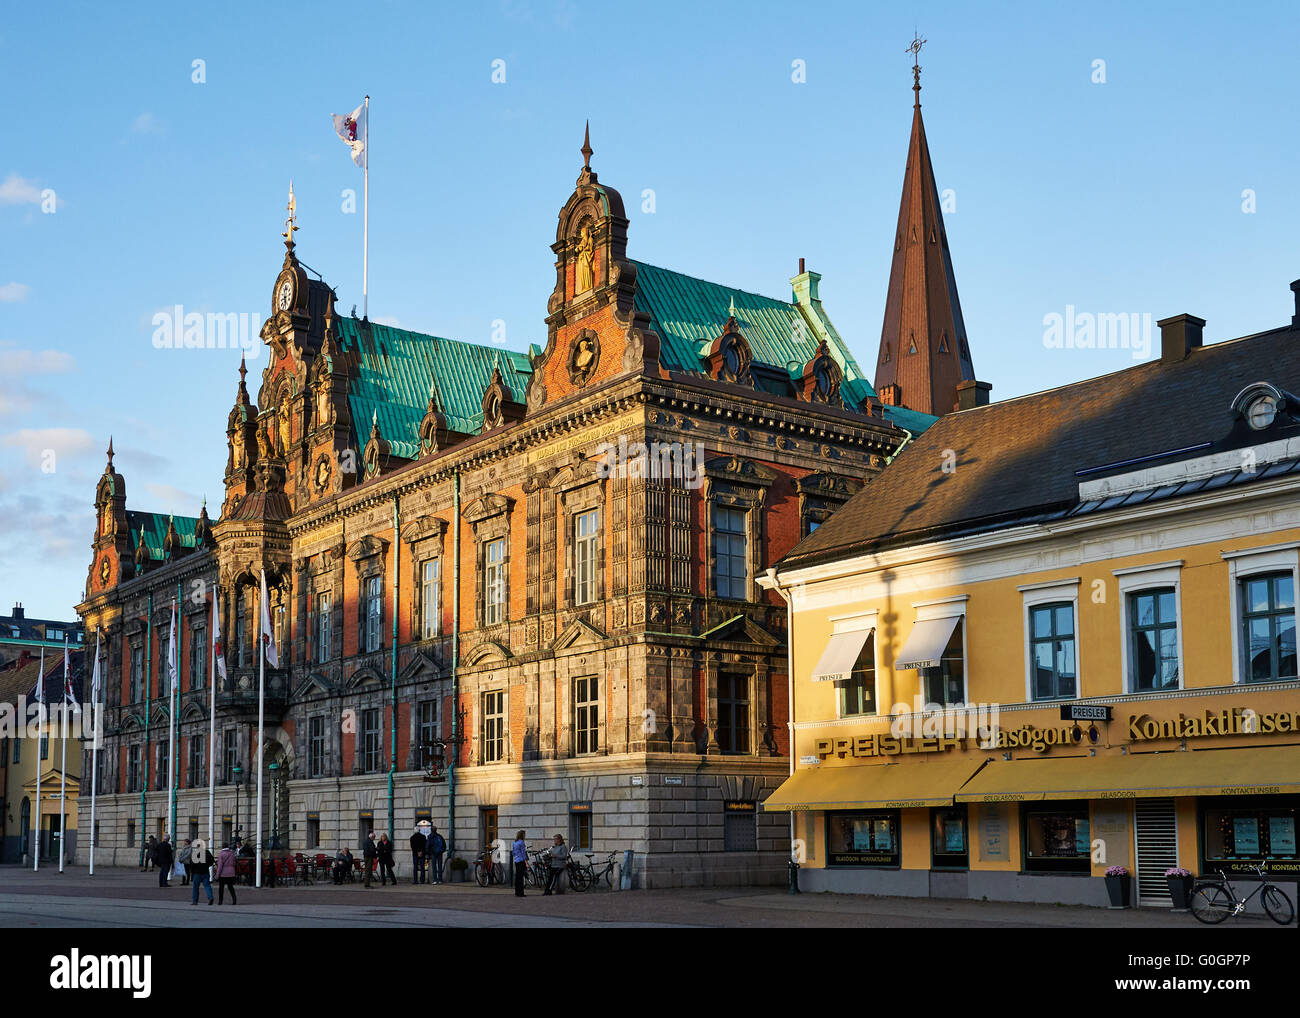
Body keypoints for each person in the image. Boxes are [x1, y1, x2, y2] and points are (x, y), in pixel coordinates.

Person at [189, 841, 214, 906]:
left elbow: (191, 864)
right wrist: (207, 865)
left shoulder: (195, 853)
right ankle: (210, 897)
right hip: (205, 871)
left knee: (195, 887)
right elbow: (212, 861)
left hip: (197, 872)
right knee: (207, 886)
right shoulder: (207, 852)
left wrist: (192, 870)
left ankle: (195, 901)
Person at [215, 841, 238, 905]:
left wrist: (217, 875)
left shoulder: (221, 854)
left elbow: (220, 866)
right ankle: (234, 899)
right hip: (231, 872)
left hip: (223, 873)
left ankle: (220, 901)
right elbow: (234, 863)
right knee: (230, 887)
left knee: (221, 888)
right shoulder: (232, 854)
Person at [512, 830, 528, 897]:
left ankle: (517, 892)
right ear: (522, 835)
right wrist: (526, 862)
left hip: (516, 860)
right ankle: (521, 893)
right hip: (521, 861)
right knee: (521, 878)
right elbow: (523, 853)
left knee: (517, 877)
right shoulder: (521, 842)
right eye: (524, 835)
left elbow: (513, 852)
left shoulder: (515, 842)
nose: (525, 836)